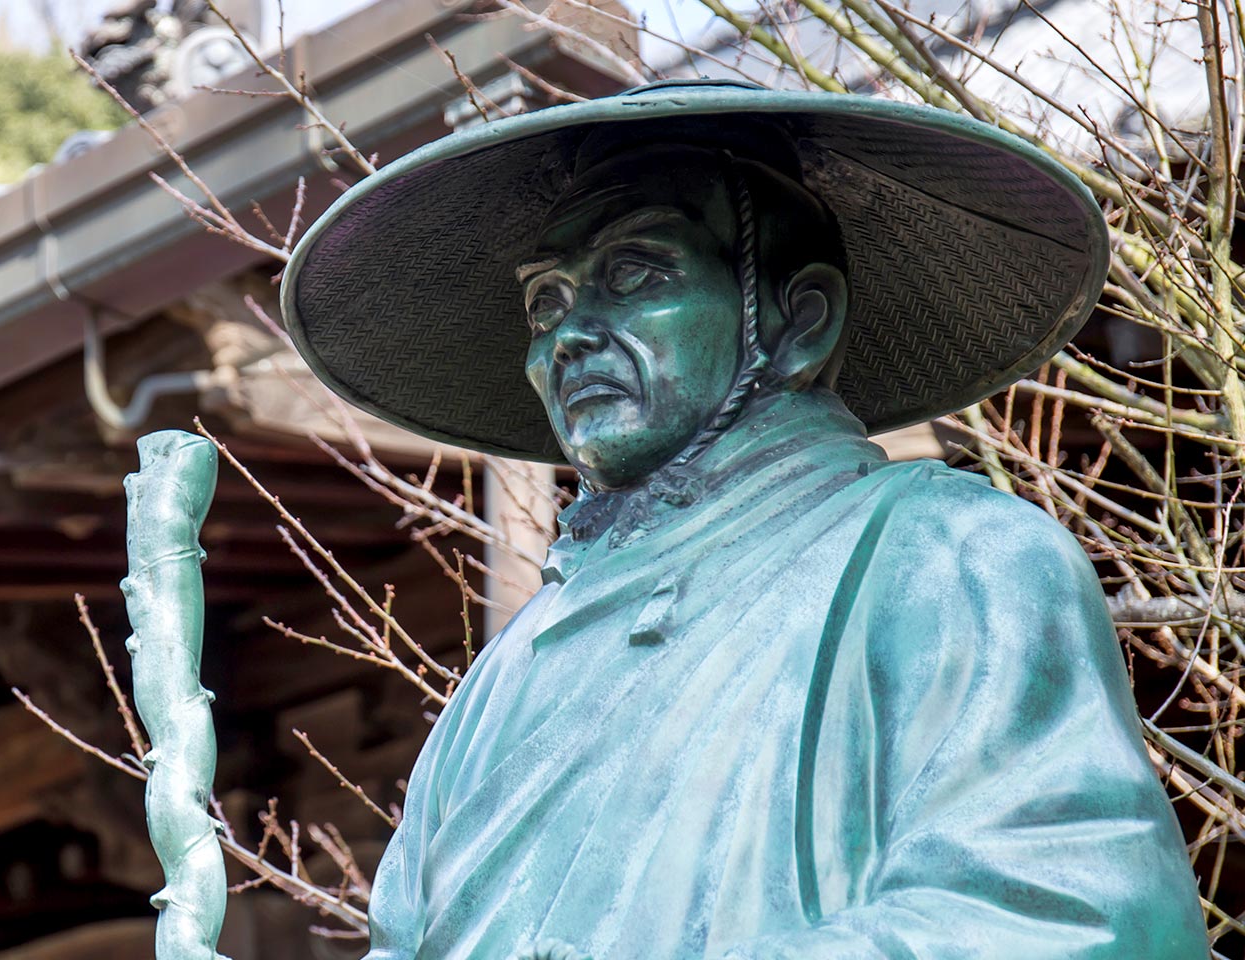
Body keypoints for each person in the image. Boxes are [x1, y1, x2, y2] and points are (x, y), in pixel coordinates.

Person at [282, 80, 1208, 959]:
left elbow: (1088, 923)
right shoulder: (504, 679)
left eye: (636, 274)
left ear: (800, 319)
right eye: (546, 302)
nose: (568, 336)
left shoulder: (952, 559)